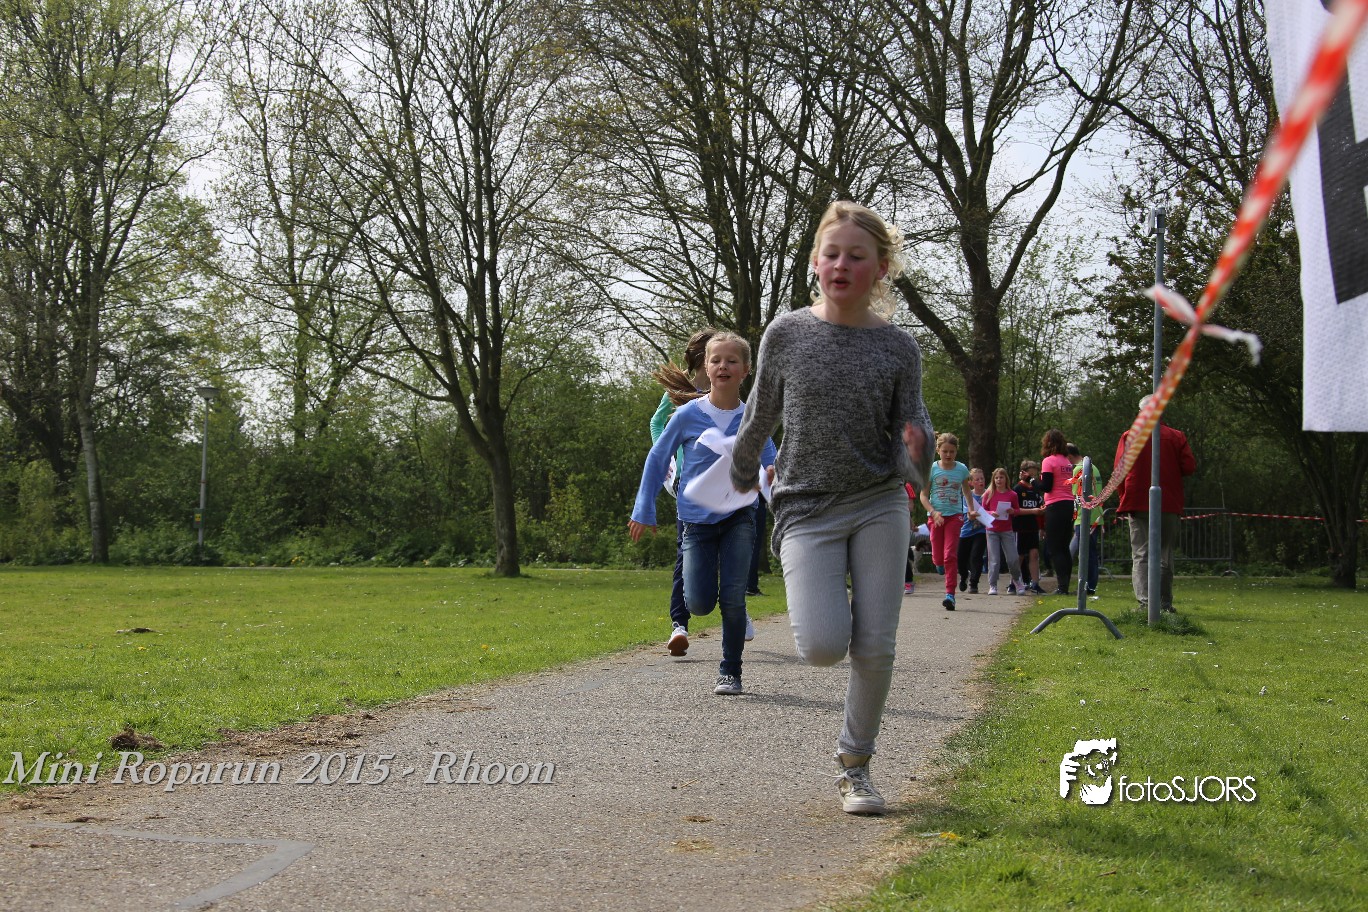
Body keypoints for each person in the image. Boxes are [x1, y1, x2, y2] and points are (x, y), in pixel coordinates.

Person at [730, 200, 933, 816]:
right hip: (806, 505)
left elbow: (913, 429)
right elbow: (761, 413)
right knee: (822, 644)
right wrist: (741, 469)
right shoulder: (787, 333)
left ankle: (855, 764)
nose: (841, 265)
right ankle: (834, 609)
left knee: (876, 645)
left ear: (881, 269)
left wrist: (918, 452)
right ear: (817, 262)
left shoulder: (899, 347)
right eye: (832, 253)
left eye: (856, 256)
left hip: (878, 502)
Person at [632, 333, 777, 695]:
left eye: (731, 361)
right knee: (698, 602)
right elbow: (657, 458)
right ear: (706, 369)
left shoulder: (754, 418)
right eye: (716, 360)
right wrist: (644, 507)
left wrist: (774, 483)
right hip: (695, 522)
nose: (723, 366)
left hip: (740, 516)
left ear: (745, 370)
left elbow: (772, 464)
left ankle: (730, 671)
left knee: (733, 597)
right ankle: (695, 610)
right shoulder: (687, 415)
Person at [651, 330, 757, 655]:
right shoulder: (680, 391)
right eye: (712, 357)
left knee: (735, 547)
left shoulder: (729, 388)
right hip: (691, 487)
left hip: (730, 484)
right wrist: (670, 460)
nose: (720, 364)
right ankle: (679, 625)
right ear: (701, 359)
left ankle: (736, 607)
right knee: (685, 555)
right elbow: (657, 424)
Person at [1114, 396, 1197, 613]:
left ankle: (1145, 604)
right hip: (1167, 502)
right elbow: (1189, 467)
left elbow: (1119, 471)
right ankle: (1164, 604)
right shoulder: (1176, 436)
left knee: (1141, 554)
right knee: (1164, 553)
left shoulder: (1130, 436)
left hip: (1137, 500)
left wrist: (1123, 498)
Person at [921, 433, 972, 612]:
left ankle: (950, 594)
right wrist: (933, 512)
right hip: (935, 517)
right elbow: (923, 496)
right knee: (938, 558)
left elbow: (967, 491)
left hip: (955, 516)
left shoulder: (961, 469)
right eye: (945, 451)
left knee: (950, 554)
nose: (948, 455)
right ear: (938, 450)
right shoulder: (932, 469)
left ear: (956, 451)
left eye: (952, 451)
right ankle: (939, 565)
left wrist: (971, 509)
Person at [1035, 429, 1074, 595]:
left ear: (1047, 443)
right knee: (1064, 547)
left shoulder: (1048, 461)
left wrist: (1032, 481)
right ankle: (1065, 585)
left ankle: (1062, 587)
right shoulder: (1067, 462)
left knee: (1055, 548)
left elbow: (1046, 486)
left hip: (1055, 506)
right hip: (1069, 504)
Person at [982, 467, 1027, 595]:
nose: (999, 480)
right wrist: (991, 513)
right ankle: (993, 584)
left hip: (1007, 530)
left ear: (1005, 479)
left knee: (1013, 558)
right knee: (994, 559)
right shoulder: (989, 493)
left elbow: (1017, 510)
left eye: (1001, 477)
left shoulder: (1012, 494)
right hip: (992, 530)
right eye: (996, 478)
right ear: (993, 480)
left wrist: (1013, 511)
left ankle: (1017, 581)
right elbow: (982, 510)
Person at [1066, 443, 1103, 595]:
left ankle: (1089, 587)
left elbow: (1075, 497)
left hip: (1085, 517)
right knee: (1083, 552)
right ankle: (1086, 585)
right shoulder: (1092, 467)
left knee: (1087, 554)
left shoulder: (1079, 469)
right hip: (1094, 515)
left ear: (1069, 456)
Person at [1013, 460, 1045, 593]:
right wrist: (1032, 511)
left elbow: (1041, 507)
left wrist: (1042, 526)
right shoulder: (1017, 489)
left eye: (1035, 474)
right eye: (1031, 474)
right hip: (1020, 527)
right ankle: (1014, 582)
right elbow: (1014, 510)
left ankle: (1035, 583)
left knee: (1034, 554)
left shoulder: (1036, 490)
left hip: (1033, 526)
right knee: (1019, 555)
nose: (1033, 477)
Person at [956, 467, 988, 594]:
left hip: (981, 530)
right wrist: (971, 514)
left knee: (976, 556)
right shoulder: (967, 495)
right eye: (977, 479)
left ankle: (974, 583)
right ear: (971, 482)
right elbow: (967, 514)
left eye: (982, 479)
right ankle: (964, 575)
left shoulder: (988, 495)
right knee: (961, 558)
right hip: (966, 530)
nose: (981, 481)